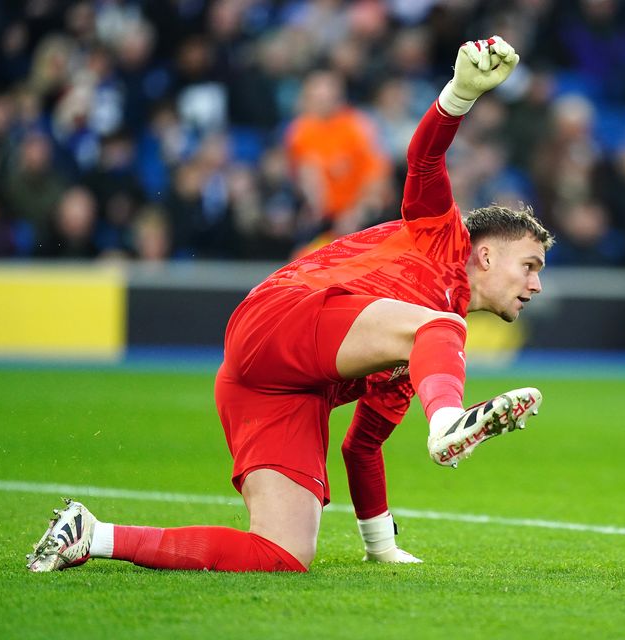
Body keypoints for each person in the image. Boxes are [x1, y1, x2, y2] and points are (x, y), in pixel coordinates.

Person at [27, 36, 551, 574]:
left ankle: (90, 534)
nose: (536, 285)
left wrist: (381, 547)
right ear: (485, 254)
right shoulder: (441, 235)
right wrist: (460, 93)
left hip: (272, 386)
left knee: (282, 554)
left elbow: (362, 448)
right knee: (439, 327)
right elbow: (424, 158)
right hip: (282, 316)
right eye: (530, 265)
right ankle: (445, 424)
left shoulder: (423, 351)